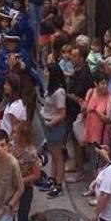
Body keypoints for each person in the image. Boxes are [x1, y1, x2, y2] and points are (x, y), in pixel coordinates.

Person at [65, 46, 93, 182]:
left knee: (78, 142)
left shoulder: (84, 75)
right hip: (72, 111)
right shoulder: (78, 70)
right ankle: (77, 164)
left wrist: (65, 93)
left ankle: (80, 171)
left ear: (81, 59)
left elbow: (79, 97)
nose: (71, 57)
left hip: (78, 113)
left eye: (74, 55)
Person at [42, 65, 68, 198]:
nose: (45, 73)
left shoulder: (59, 92)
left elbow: (62, 113)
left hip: (55, 126)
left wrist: (51, 122)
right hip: (48, 125)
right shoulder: (50, 88)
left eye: (47, 71)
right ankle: (52, 178)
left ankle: (58, 184)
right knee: (53, 153)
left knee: (58, 156)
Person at [12, 123, 41, 221]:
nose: (13, 135)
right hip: (11, 188)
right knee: (9, 216)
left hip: (25, 189)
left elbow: (36, 174)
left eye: (16, 133)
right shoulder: (12, 147)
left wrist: (21, 181)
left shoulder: (30, 152)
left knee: (22, 218)